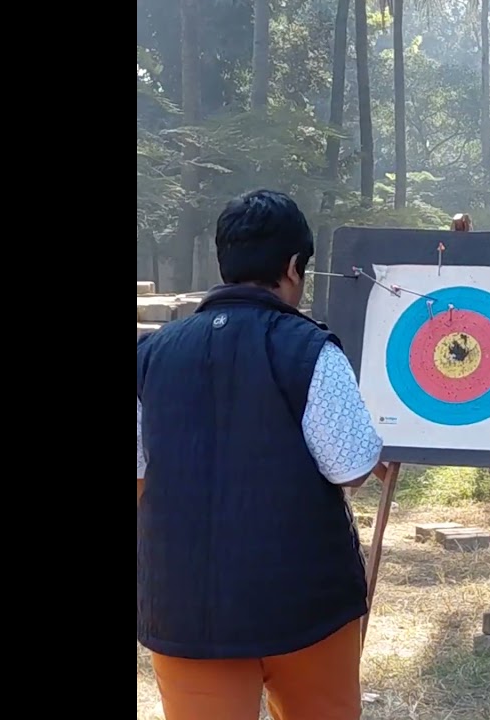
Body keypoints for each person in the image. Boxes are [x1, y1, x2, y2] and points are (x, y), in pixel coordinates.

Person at [137, 189, 384, 720]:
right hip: (306, 607)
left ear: (224, 262)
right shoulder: (309, 348)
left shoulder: (149, 354)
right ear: (294, 267)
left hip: (184, 610)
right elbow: (352, 468)